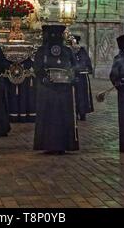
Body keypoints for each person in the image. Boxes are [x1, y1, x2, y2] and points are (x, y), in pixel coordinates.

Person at [33, 24, 79, 154]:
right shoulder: (45, 51)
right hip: (49, 89)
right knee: (52, 116)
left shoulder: (65, 50)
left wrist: (71, 77)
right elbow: (38, 68)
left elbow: (74, 66)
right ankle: (53, 144)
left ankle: (58, 144)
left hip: (60, 89)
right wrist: (43, 78)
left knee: (60, 116)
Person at [66, 33, 94, 121]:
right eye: (71, 43)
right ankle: (73, 113)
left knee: (82, 96)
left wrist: (85, 68)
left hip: (81, 77)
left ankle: (82, 113)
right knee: (71, 95)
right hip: (71, 77)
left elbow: (87, 63)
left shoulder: (82, 51)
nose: (73, 45)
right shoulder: (67, 51)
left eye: (74, 42)